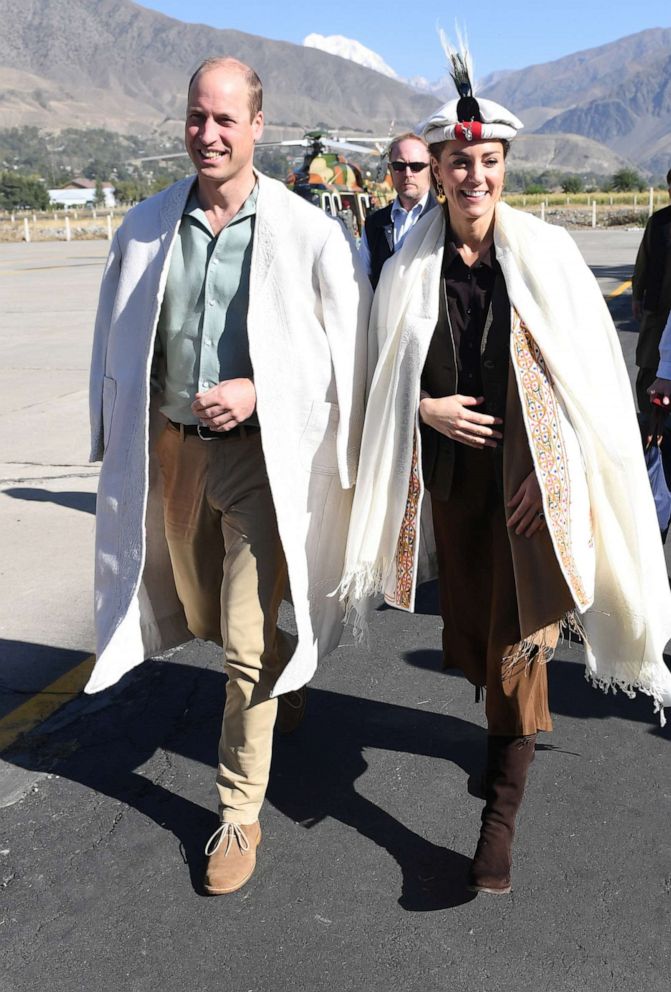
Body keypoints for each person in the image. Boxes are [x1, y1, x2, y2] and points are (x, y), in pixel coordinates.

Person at [340, 46, 671, 896]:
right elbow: (379, 376)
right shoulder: (408, 270)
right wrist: (425, 410)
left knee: (520, 645)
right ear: (438, 170)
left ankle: (499, 821)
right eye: (459, 162)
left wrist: (555, 475)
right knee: (481, 646)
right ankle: (499, 751)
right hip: (454, 493)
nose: (473, 176)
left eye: (488, 162)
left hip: (531, 494)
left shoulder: (550, 258)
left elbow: (586, 385)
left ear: (503, 170)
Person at [87, 56, 371, 895]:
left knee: (240, 645)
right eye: (194, 117)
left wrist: (262, 389)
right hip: (171, 453)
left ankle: (238, 813)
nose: (206, 134)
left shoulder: (308, 232)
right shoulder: (142, 228)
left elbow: (341, 357)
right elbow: (115, 332)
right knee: (206, 614)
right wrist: (109, 433)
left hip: (260, 459)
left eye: (224, 120)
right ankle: (281, 659)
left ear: (256, 127)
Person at [359, 132, 435, 288]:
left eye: (416, 166)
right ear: (390, 169)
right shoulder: (374, 224)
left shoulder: (445, 219)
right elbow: (364, 281)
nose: (408, 174)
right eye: (399, 166)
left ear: (432, 168)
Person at [632, 168, 671, 411]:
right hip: (657, 311)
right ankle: (649, 428)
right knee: (648, 367)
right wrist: (637, 296)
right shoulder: (659, 222)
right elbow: (643, 261)